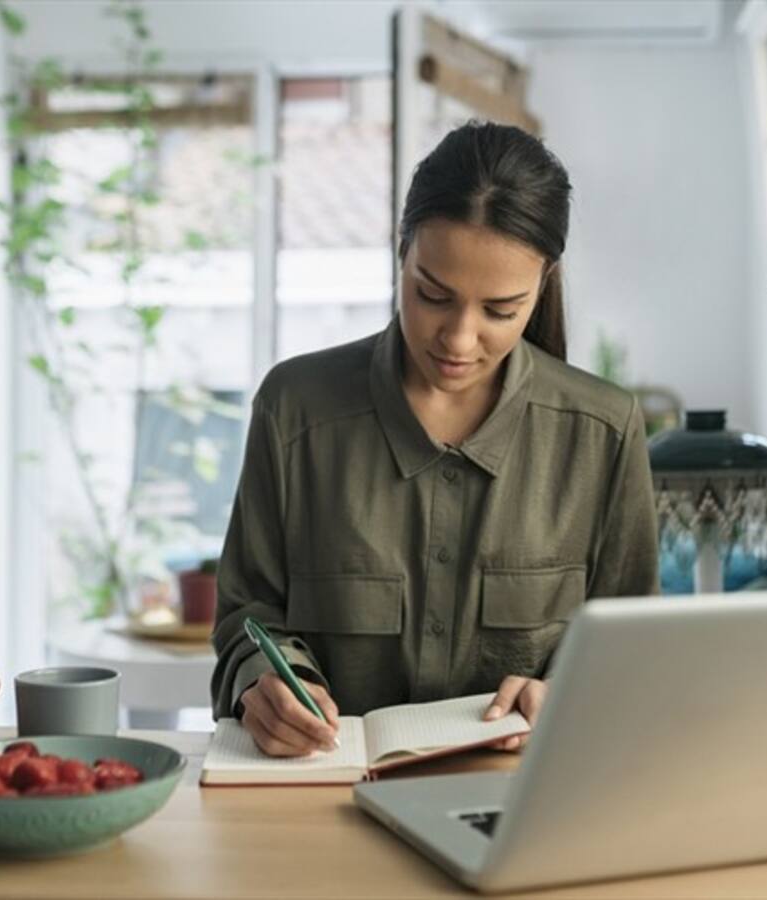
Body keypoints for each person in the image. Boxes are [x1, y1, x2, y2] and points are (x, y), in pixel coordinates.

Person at [210, 121, 658, 758]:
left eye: (500, 310)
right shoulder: (296, 409)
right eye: (432, 295)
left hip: (520, 800)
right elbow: (247, 613)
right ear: (401, 253)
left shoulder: (602, 432)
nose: (458, 339)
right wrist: (268, 683)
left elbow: (632, 649)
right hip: (322, 795)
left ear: (544, 283)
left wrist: (570, 693)